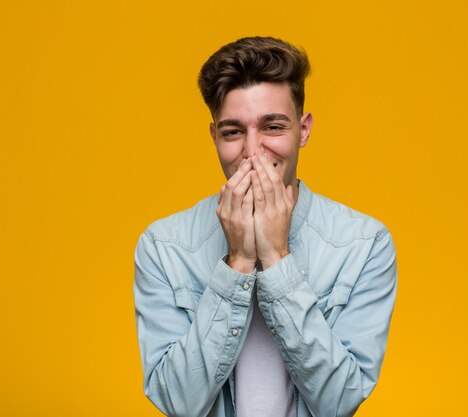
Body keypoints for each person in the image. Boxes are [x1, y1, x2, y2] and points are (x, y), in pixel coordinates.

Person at [133, 36, 397, 417]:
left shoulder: (365, 244)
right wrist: (238, 260)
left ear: (303, 130)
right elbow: (177, 403)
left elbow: (339, 403)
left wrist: (276, 259)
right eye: (233, 132)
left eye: (272, 127)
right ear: (214, 137)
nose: (252, 152)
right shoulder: (163, 246)